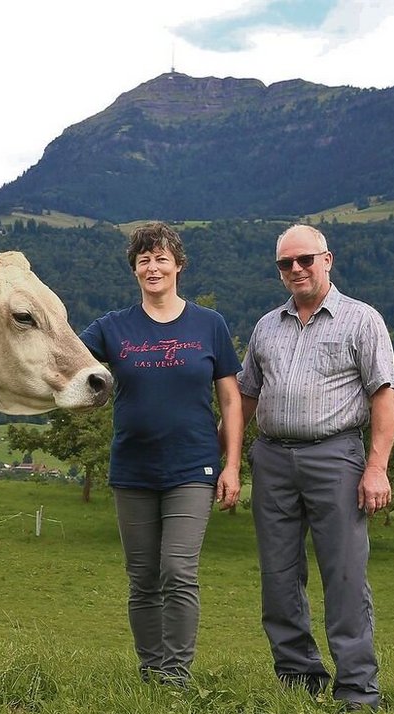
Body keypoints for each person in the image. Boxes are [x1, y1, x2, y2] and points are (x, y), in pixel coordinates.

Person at [237, 224, 394, 712]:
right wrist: (226, 455)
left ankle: (357, 689)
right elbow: (245, 395)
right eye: (285, 264)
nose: (296, 270)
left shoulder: (361, 320)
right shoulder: (267, 326)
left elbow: (384, 396)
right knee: (279, 575)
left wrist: (377, 467)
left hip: (337, 459)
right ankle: (297, 678)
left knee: (344, 573)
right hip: (271, 459)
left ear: (328, 259)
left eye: (304, 259)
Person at [81, 221, 243, 687]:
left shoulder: (209, 325)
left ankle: (176, 674)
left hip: (193, 466)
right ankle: (151, 672)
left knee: (177, 568)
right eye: (143, 260)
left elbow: (231, 398)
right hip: (132, 468)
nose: (152, 267)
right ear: (135, 270)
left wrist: (232, 465)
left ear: (179, 265)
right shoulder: (113, 328)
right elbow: (65, 357)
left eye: (161, 259)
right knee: (143, 576)